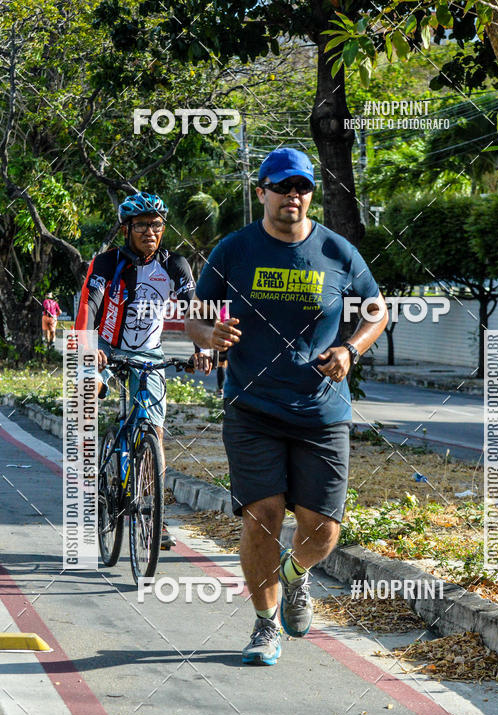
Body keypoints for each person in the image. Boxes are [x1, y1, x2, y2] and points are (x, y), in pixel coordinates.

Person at [185, 147, 388, 665]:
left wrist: (351, 349)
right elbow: (196, 317)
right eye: (281, 187)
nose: (292, 196)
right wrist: (210, 335)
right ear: (262, 193)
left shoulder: (338, 253)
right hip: (252, 407)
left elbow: (375, 312)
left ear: (310, 195)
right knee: (263, 517)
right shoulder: (233, 250)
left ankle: (296, 577)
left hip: (322, 412)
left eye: (301, 188)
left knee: (322, 530)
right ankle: (264, 625)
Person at [76, 191, 212, 550]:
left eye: (156, 225)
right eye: (141, 225)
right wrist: (90, 351)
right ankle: (94, 474)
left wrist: (202, 349)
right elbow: (88, 307)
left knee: (154, 431)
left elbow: (191, 308)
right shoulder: (106, 263)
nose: (150, 231)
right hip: (105, 346)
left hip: (149, 353)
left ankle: (154, 514)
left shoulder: (175, 264)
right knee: (89, 391)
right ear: (126, 228)